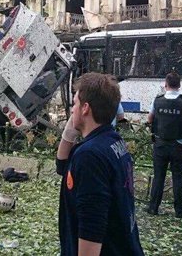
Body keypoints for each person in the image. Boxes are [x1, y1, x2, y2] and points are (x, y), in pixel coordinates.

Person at [56, 72, 143, 256]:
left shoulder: (90, 156)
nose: (72, 110)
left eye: (75, 104)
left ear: (85, 108)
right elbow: (62, 166)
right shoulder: (112, 141)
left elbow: (91, 228)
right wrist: (69, 132)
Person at [146, 72, 182, 218]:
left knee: (158, 177)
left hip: (160, 144)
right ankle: (180, 211)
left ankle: (153, 208)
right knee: (178, 178)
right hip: (179, 145)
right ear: (179, 85)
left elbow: (150, 119)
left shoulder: (157, 100)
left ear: (166, 84)